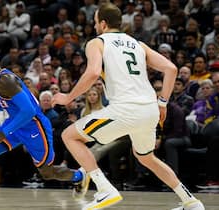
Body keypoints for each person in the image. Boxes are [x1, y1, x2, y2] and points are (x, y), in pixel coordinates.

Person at [51, 3, 205, 210]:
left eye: (96, 21)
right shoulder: (137, 44)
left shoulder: (97, 42)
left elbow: (93, 72)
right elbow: (171, 68)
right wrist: (163, 102)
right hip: (149, 109)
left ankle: (105, 189)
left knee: (70, 136)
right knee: (146, 157)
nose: (95, 25)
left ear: (103, 24)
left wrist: (68, 97)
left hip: (125, 110)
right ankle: (191, 202)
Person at [0, 43, 85, 210]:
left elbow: (28, 111)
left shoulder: (6, 80)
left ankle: (79, 176)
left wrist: (3, 132)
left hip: (34, 127)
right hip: (15, 124)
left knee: (47, 173)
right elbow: (2, 103)